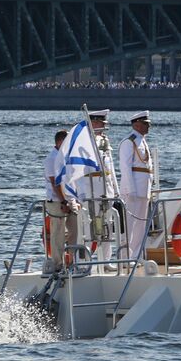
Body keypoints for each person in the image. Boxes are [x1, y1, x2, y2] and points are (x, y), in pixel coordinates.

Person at [77, 109, 121, 263]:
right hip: (91, 190)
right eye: (101, 123)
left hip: (105, 189)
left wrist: (116, 189)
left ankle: (106, 261)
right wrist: (82, 194)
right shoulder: (84, 144)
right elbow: (79, 171)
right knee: (90, 228)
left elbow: (111, 169)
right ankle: (85, 261)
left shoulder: (104, 142)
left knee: (107, 226)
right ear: (93, 123)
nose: (103, 126)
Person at [118, 111, 157, 262]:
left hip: (144, 188)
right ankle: (125, 256)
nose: (149, 126)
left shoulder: (142, 140)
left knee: (141, 224)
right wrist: (130, 189)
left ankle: (136, 255)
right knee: (129, 224)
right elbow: (125, 168)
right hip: (133, 189)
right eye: (146, 123)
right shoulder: (129, 141)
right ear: (136, 124)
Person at [43, 129, 79, 273]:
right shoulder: (51, 159)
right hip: (57, 201)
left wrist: (74, 200)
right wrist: (64, 202)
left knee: (74, 231)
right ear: (59, 142)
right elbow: (55, 183)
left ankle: (72, 262)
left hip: (70, 200)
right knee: (57, 233)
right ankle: (58, 265)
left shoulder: (67, 158)